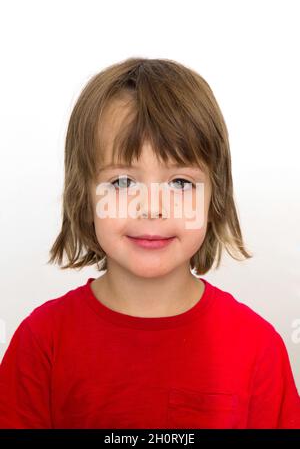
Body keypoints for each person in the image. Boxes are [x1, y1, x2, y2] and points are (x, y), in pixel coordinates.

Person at [0, 58, 300, 429]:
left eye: (180, 183)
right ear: (84, 195)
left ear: (215, 196)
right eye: (123, 183)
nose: (153, 208)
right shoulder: (40, 345)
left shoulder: (258, 349)